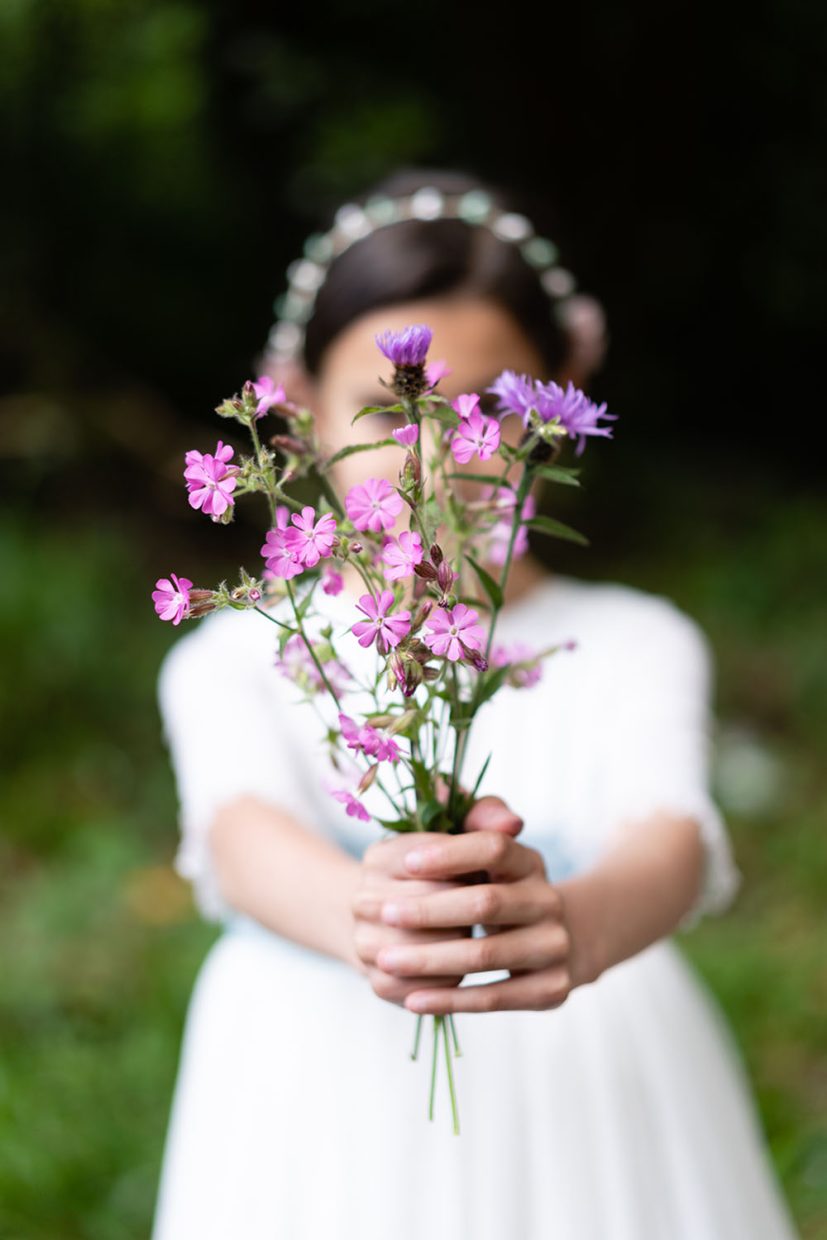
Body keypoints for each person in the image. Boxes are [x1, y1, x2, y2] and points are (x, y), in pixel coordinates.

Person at [151, 168, 800, 1238]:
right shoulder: (235, 654)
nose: (433, 460)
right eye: (384, 410)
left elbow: (671, 839)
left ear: (559, 396)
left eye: (486, 410)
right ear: (297, 406)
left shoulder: (635, 640)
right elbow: (241, 836)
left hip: (595, 1079)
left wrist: (574, 925)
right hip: (310, 1094)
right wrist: (373, 917)